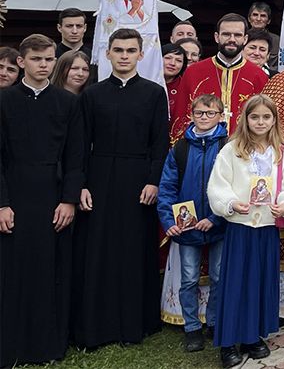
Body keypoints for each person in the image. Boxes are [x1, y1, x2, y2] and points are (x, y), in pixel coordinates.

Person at [73, 28, 170, 350]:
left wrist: (154, 180)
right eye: (118, 50)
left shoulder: (154, 93)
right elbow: (79, 144)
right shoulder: (92, 94)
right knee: (97, 251)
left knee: (132, 251)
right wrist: (81, 185)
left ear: (141, 55)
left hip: (137, 180)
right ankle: (96, 326)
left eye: (131, 50)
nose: (125, 55)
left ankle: (133, 324)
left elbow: (160, 143)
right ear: (108, 54)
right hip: (98, 179)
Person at [0, 34, 85, 368]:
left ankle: (48, 344)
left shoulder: (67, 103)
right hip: (14, 195)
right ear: (22, 61)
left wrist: (69, 201)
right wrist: (1, 203)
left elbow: (76, 156)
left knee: (52, 270)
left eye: (49, 59)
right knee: (12, 271)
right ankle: (11, 342)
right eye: (37, 59)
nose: (44, 65)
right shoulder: (3, 101)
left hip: (54, 195)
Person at [206, 94, 284, 369]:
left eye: (266, 117)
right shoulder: (232, 150)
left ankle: (252, 336)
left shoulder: (280, 152)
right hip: (241, 227)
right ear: (245, 119)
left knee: (261, 282)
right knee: (236, 281)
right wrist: (229, 203)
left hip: (266, 228)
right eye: (255, 117)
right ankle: (227, 343)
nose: (260, 122)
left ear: (274, 120)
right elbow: (218, 185)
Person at [157, 94, 227, 352]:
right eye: (199, 113)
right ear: (191, 114)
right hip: (187, 226)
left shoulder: (227, 145)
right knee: (188, 279)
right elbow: (167, 187)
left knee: (219, 276)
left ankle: (214, 321)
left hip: (218, 224)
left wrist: (215, 217)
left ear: (221, 115)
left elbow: (235, 186)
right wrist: (168, 220)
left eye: (210, 113)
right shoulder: (181, 148)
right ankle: (192, 327)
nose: (205, 118)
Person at [171, 14, 269, 140]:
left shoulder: (259, 76)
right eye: (226, 34)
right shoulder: (193, 72)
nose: (232, 39)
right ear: (217, 37)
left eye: (237, 35)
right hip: (201, 149)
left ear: (245, 39)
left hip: (244, 150)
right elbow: (180, 117)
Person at [247, 2, 280, 71]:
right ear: (249, 18)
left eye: (263, 16)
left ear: (269, 21)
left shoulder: (277, 40)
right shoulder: (241, 37)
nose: (258, 19)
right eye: (255, 15)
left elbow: (279, 65)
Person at [161, 42, 189, 119]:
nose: (172, 63)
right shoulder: (145, 83)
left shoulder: (185, 87)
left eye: (178, 60)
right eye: (168, 58)